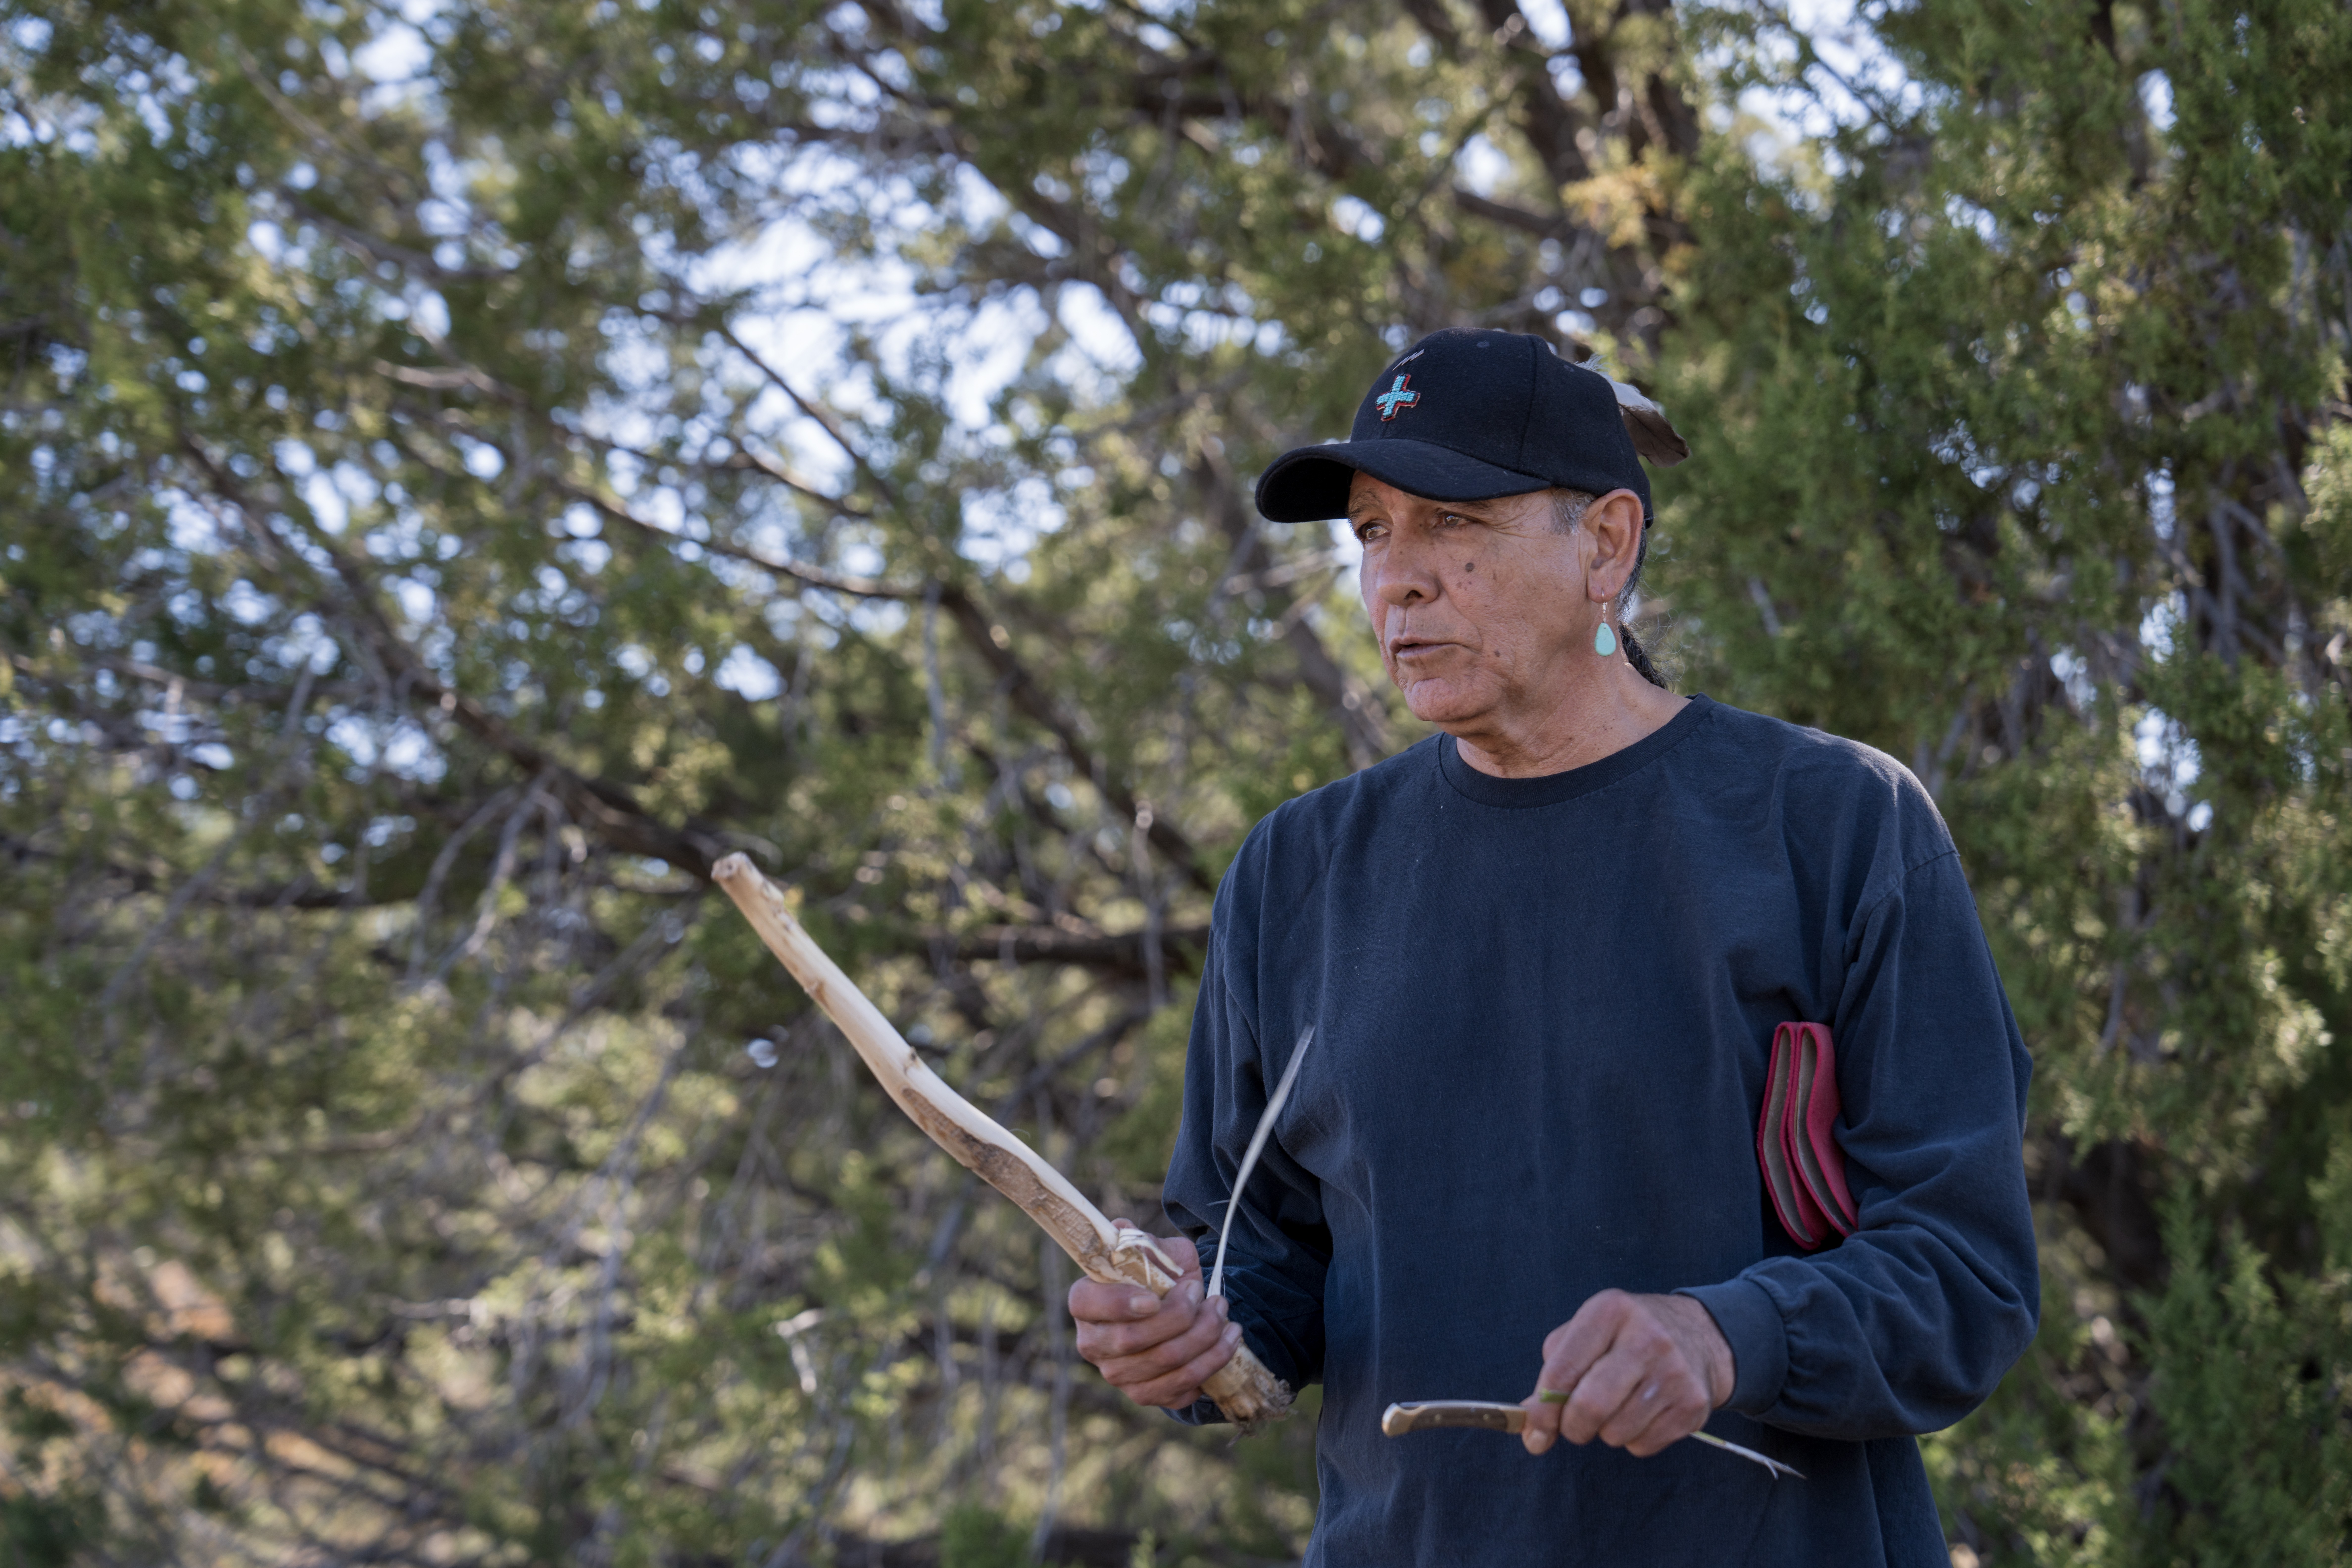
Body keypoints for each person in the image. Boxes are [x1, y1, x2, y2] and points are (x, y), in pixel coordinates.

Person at [1068, 328, 2040, 1566]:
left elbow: (1967, 1275)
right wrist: (1186, 1335)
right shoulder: (1297, 874)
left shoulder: (1835, 827)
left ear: (1607, 545)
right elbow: (1256, 1267)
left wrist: (1723, 1335)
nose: (1397, 581)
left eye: (1451, 525)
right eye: (1371, 534)